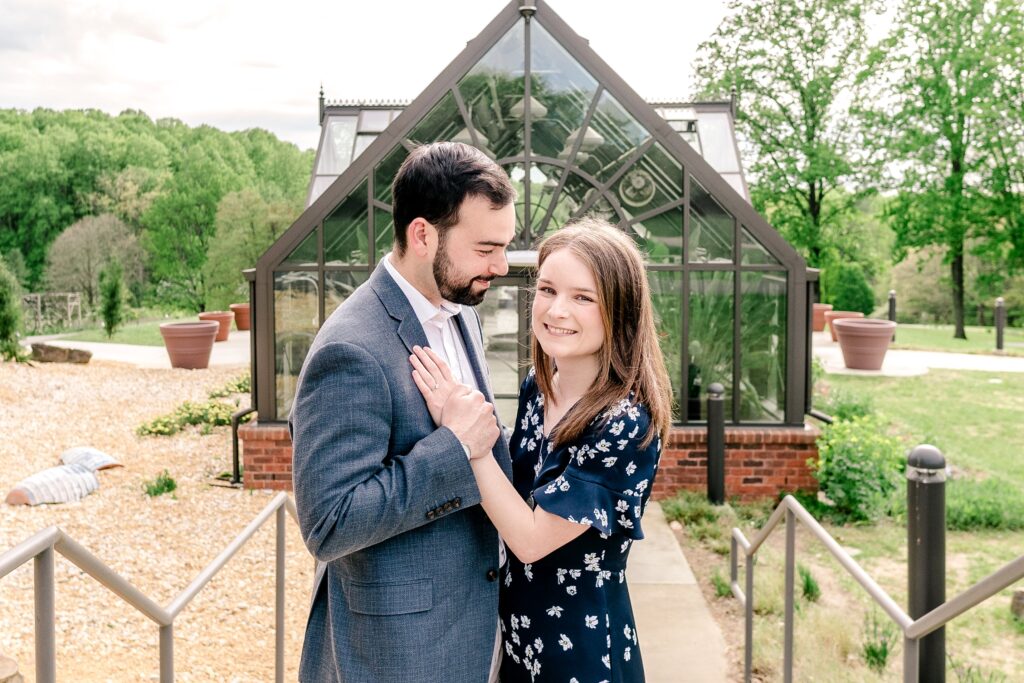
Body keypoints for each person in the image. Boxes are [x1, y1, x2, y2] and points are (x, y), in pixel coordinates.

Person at [290, 141, 517, 682]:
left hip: (476, 630)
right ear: (423, 235)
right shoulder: (350, 349)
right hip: (400, 653)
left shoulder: (461, 311)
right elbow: (329, 523)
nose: (502, 266)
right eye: (487, 247)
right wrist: (454, 450)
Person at [409, 218, 673, 682]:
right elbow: (511, 491)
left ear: (621, 311)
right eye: (548, 290)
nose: (557, 310)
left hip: (580, 656)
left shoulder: (624, 423)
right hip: (519, 643)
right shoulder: (539, 384)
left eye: (583, 297)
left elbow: (530, 540)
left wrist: (466, 439)